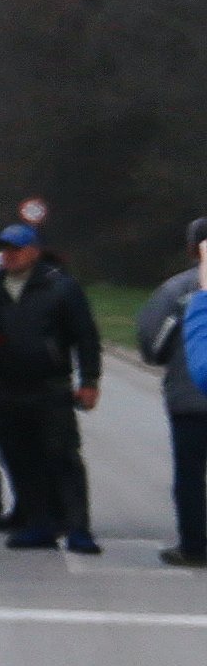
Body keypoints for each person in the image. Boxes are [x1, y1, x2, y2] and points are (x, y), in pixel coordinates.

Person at [0, 225, 103, 555]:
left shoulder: (60, 287)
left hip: (49, 387)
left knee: (62, 457)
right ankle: (37, 523)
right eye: (5, 249)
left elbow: (86, 337)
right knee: (19, 459)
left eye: (16, 248)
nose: (9, 255)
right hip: (4, 388)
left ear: (34, 251)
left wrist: (89, 381)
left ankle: (78, 528)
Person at [143, 216, 207, 567]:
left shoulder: (176, 290)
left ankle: (193, 545)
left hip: (190, 398)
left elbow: (152, 343)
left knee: (190, 476)